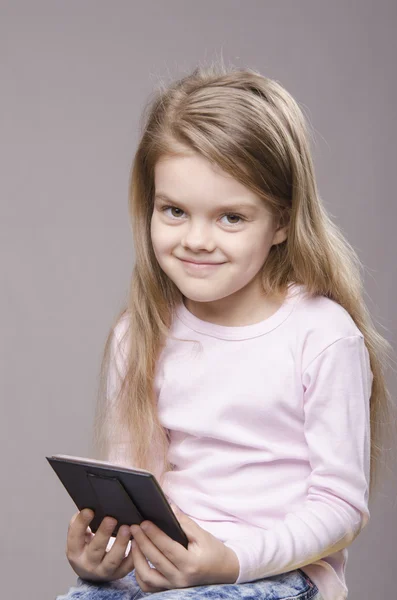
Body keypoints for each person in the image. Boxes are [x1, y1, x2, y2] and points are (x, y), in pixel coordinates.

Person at [56, 62, 395, 600]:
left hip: (278, 575)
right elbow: (134, 483)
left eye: (230, 217)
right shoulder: (139, 332)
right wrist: (103, 553)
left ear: (281, 221)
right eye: (174, 211)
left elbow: (340, 506)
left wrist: (232, 561)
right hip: (168, 567)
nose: (196, 239)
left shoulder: (321, 336)